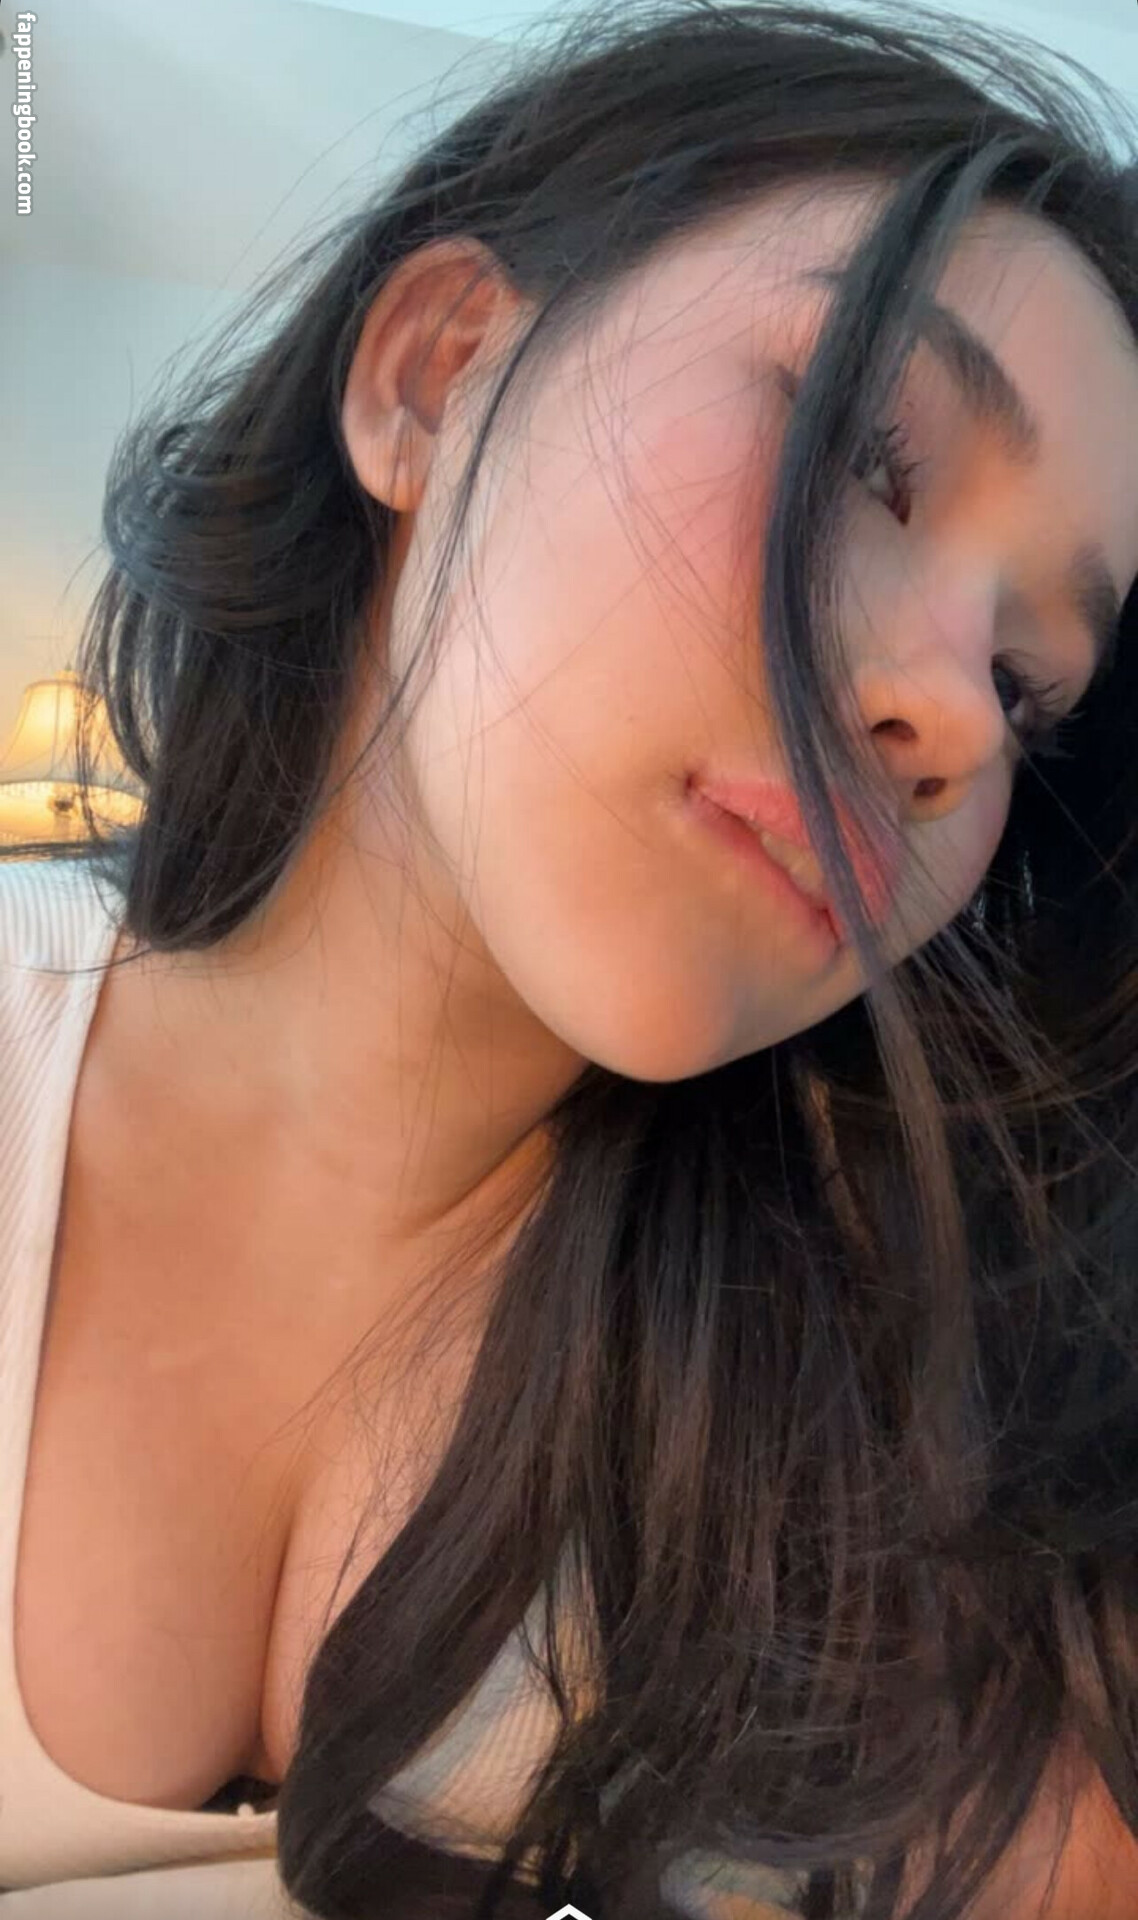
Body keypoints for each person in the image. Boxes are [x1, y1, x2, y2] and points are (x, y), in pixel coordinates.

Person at [3, 0, 1138, 1914]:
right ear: (434, 374)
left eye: (1029, 686)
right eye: (867, 455)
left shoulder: (910, 1376)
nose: (952, 719)